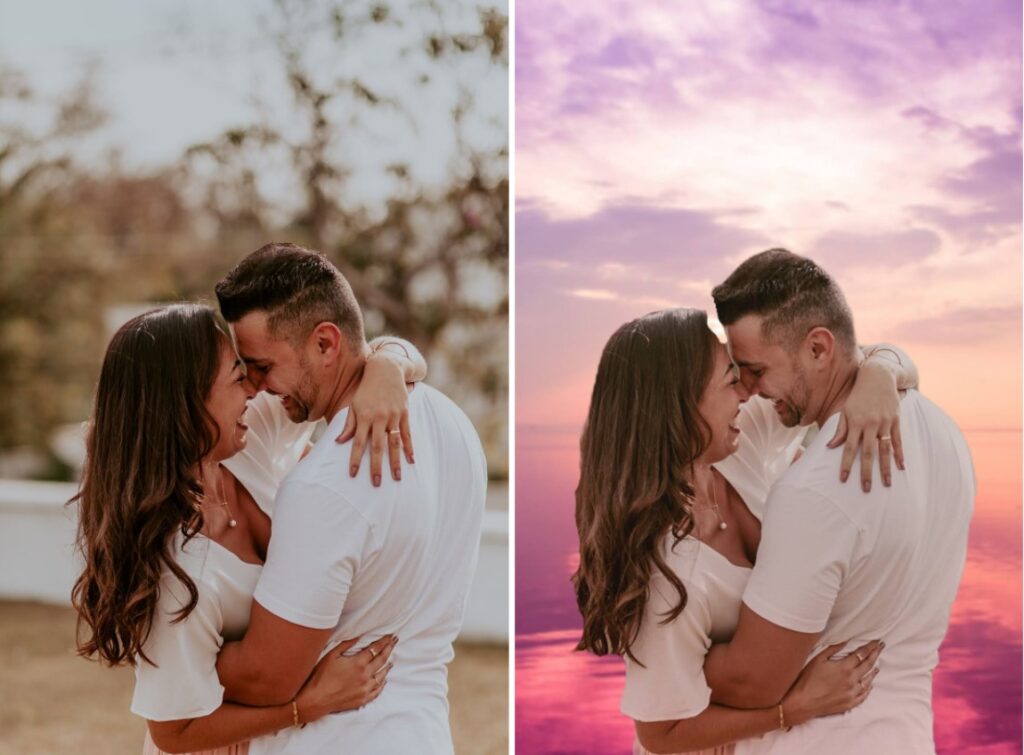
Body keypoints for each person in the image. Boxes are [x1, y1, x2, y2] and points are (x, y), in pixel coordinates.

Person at [71, 302, 424, 754]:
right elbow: (171, 732)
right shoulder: (177, 571)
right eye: (238, 378)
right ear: (188, 403)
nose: (256, 390)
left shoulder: (246, 438)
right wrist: (309, 704)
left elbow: (347, 357)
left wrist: (387, 367)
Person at [573, 307, 918, 754]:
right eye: (729, 380)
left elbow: (836, 363)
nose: (747, 392)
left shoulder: (736, 446)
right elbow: (658, 734)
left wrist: (879, 376)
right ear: (681, 403)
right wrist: (792, 709)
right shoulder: (668, 573)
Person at [692, 249, 974, 754]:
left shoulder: (815, 489)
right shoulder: (943, 430)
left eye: (756, 371)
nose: (750, 392)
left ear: (819, 349)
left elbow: (753, 681)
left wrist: (655, 644)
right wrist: (881, 367)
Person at [210, 242, 487, 755]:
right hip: (423, 733)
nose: (256, 386)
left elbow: (266, 679)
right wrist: (389, 357)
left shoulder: (325, 484)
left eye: (263, 366)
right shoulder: (450, 421)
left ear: (325, 343)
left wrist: (166, 646)